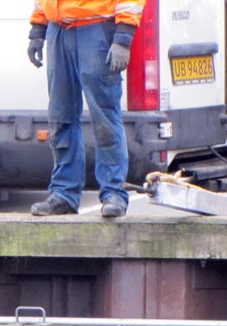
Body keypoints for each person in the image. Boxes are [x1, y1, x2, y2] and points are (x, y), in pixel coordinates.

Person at [27, 0, 145, 218]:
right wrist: (38, 29)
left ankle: (113, 193)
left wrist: (123, 37)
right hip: (59, 30)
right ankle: (64, 194)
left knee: (104, 117)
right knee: (60, 116)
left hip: (97, 28)